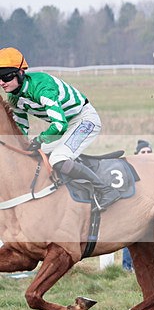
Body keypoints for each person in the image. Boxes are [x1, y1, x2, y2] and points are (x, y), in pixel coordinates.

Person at [0, 47, 119, 209]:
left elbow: (59, 125)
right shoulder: (14, 96)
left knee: (58, 158)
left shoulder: (42, 87)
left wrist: (40, 139)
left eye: (5, 76)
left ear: (20, 73)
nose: (1, 82)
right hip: (66, 125)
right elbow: (22, 126)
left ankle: (106, 190)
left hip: (85, 120)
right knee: (35, 154)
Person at [121, 140, 153, 271]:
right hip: (134, 208)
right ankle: (128, 267)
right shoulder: (130, 169)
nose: (146, 154)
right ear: (137, 153)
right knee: (131, 238)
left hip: (150, 208)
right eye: (143, 152)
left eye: (148, 152)